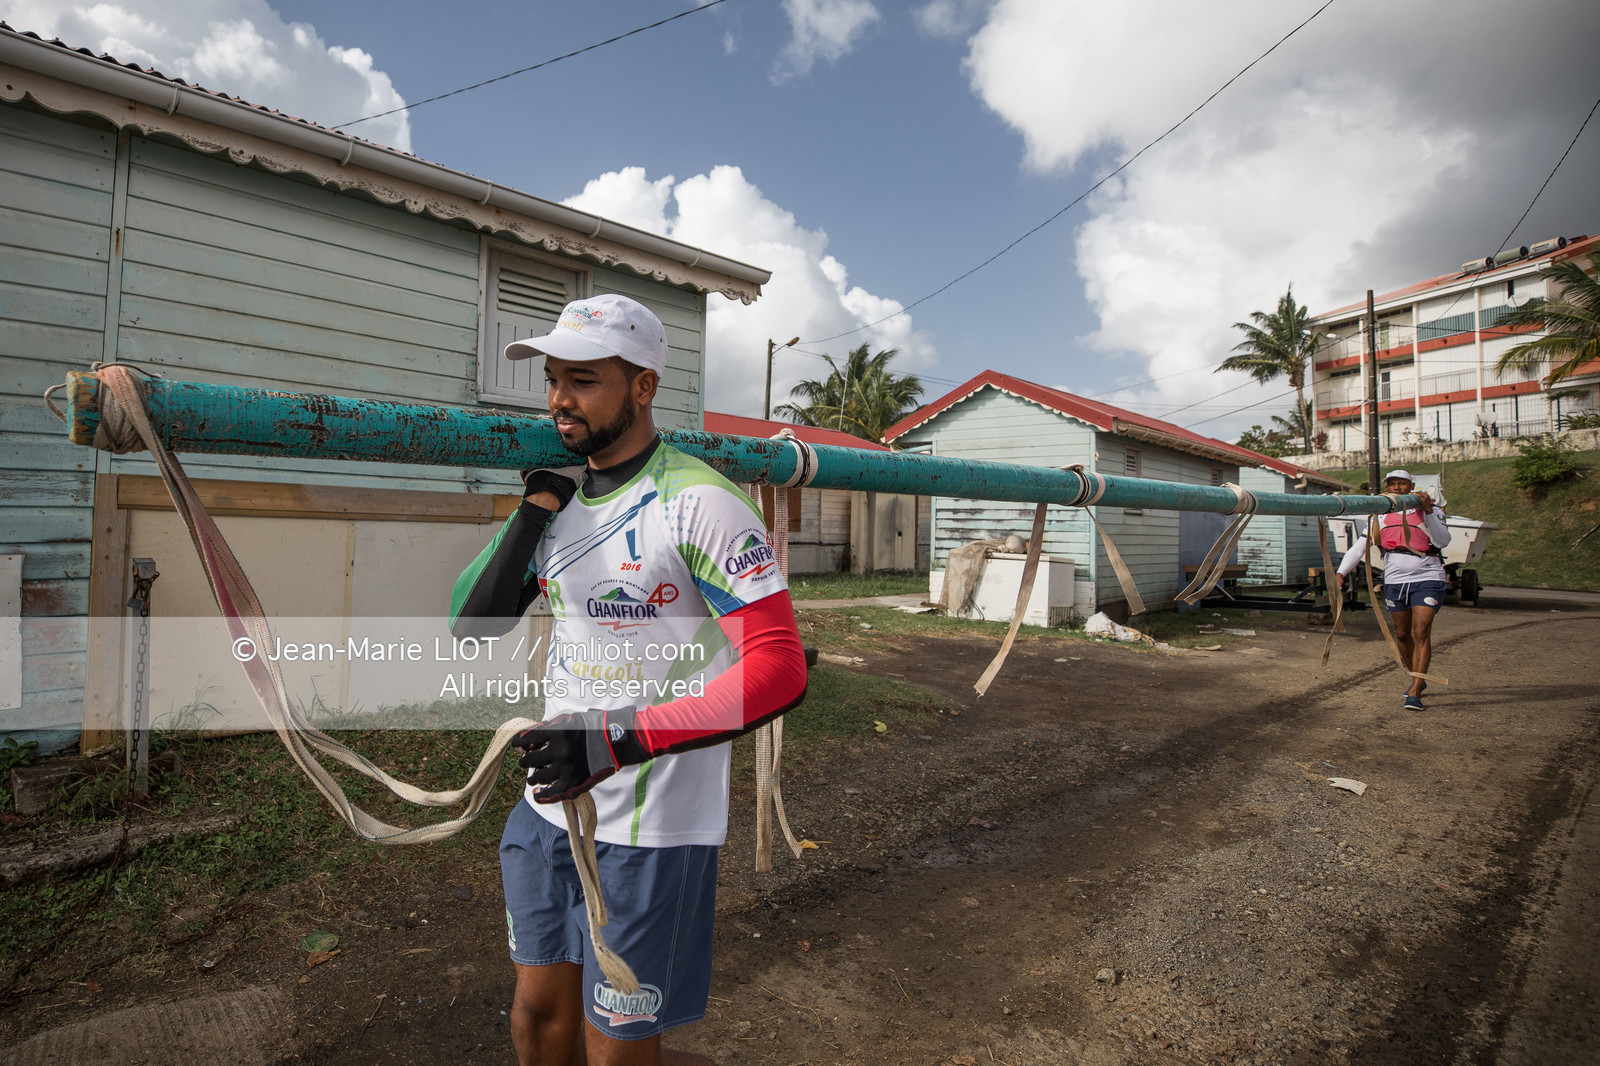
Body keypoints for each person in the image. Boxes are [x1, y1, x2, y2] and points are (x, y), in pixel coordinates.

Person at [449, 293, 807, 1065]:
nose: (558, 400)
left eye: (582, 380)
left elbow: (777, 670)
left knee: (615, 1046)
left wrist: (619, 740)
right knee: (537, 1015)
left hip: (649, 827)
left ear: (642, 387)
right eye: (552, 379)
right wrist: (533, 509)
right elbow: (470, 626)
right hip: (549, 808)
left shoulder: (701, 502)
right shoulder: (563, 507)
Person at [1333, 469, 1451, 711]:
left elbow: (1442, 541)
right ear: (1387, 486)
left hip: (1427, 576)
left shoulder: (1431, 511)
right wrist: (1340, 572)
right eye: (1393, 484)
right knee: (1402, 635)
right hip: (1396, 581)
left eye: (1402, 483)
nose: (1397, 488)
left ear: (1411, 485)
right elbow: (1358, 548)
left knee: (1420, 632)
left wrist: (1427, 512)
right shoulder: (1379, 515)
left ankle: (1415, 691)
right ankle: (1416, 677)